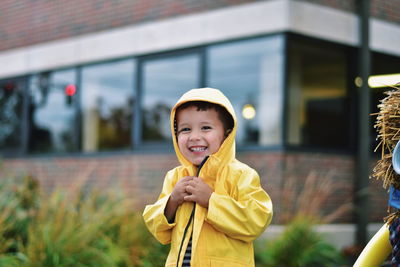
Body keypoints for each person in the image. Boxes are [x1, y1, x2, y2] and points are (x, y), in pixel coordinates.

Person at [142, 87, 273, 267]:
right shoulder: (175, 177)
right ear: (175, 135)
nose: (195, 136)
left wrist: (211, 200)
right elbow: (157, 229)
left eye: (206, 128)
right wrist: (172, 201)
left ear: (226, 134)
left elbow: (256, 221)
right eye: (185, 129)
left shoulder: (241, 175)